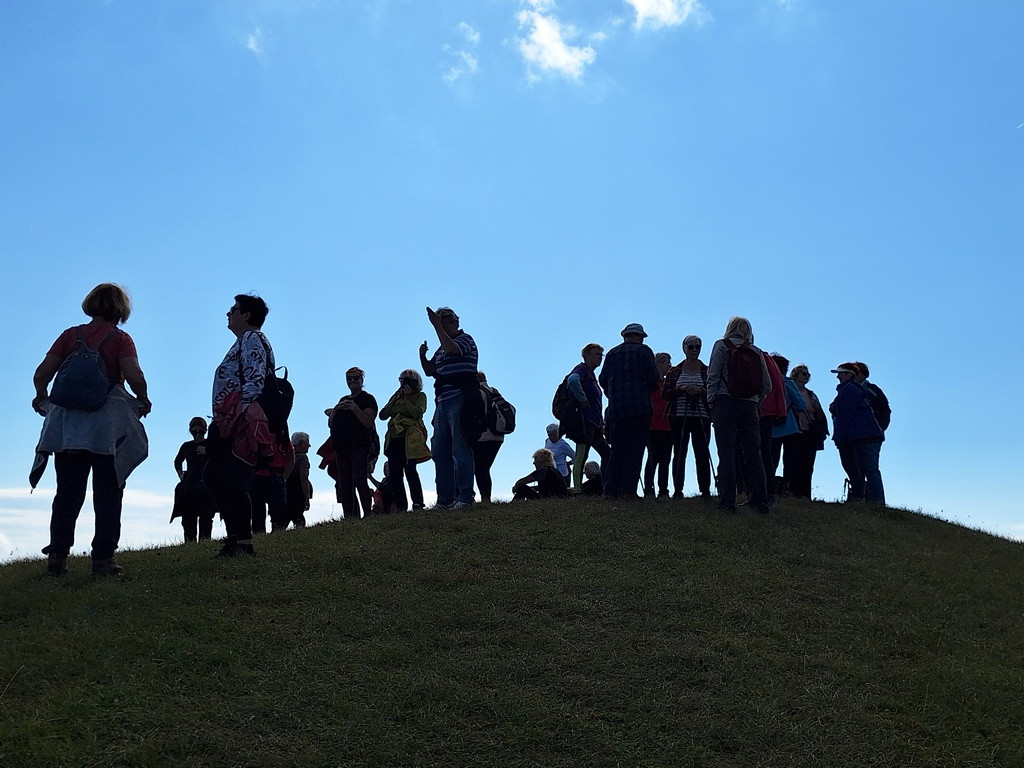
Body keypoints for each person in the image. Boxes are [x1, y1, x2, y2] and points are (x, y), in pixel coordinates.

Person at [31, 283, 151, 576]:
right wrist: (143, 398)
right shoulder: (121, 339)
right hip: (105, 427)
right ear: (120, 309)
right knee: (109, 492)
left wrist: (40, 394)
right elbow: (133, 374)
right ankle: (103, 559)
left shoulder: (70, 335)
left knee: (68, 493)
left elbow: (42, 373)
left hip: (69, 426)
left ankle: (57, 557)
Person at [205, 293, 276, 558]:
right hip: (230, 420)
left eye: (233, 309)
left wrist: (238, 417)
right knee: (219, 475)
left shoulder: (251, 338)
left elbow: (255, 378)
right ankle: (237, 538)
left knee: (228, 477)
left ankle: (241, 541)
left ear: (246, 314)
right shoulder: (244, 341)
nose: (229, 314)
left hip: (237, 422)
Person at [706, 316, 772, 513]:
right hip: (749, 406)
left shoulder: (721, 345)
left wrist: (711, 400)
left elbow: (713, 374)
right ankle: (759, 501)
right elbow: (766, 385)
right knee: (753, 454)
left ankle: (727, 502)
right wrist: (755, 402)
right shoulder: (756, 351)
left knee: (726, 454)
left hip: (724, 403)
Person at [420, 307, 481, 510]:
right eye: (446, 319)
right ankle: (445, 499)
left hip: (460, 399)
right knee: (440, 451)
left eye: (451, 319)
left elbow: (452, 349)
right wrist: (422, 357)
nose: (451, 322)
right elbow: (431, 371)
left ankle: (465, 496)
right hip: (442, 401)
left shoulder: (466, 340)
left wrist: (437, 326)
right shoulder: (440, 348)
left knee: (461, 448)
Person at [598, 323, 661, 499]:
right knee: (636, 449)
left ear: (625, 336)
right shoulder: (644, 352)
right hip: (640, 408)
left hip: (617, 409)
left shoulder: (611, 353)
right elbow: (654, 378)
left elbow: (603, 379)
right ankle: (628, 491)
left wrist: (613, 394)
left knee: (617, 449)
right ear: (639, 336)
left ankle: (610, 490)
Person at [663, 335, 713, 499]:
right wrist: (682, 389)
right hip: (678, 416)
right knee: (679, 453)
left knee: (702, 453)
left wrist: (701, 391)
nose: (694, 350)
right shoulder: (674, 371)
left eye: (697, 347)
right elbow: (666, 394)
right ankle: (678, 490)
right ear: (684, 348)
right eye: (691, 347)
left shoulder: (707, 371)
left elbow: (714, 394)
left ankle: (705, 490)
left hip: (702, 416)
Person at [830, 363, 885, 504]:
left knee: (865, 468)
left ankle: (867, 499)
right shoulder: (851, 389)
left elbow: (845, 415)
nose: (838, 376)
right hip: (862, 435)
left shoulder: (851, 390)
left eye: (841, 373)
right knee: (860, 467)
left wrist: (840, 436)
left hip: (861, 436)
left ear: (849, 374)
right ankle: (867, 500)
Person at [329, 367, 379, 520]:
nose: (352, 381)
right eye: (349, 378)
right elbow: (331, 423)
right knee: (344, 483)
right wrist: (336, 410)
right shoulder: (343, 400)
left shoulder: (368, 399)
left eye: (355, 378)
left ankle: (367, 514)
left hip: (360, 445)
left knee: (360, 479)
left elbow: (368, 421)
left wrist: (355, 408)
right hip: (342, 446)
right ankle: (350, 516)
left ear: (361, 380)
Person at [379, 368, 431, 512]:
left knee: (410, 471)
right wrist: (396, 399)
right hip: (394, 438)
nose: (404, 382)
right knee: (395, 474)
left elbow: (417, 413)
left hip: (410, 439)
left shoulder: (420, 396)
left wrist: (407, 399)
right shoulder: (396, 397)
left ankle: (418, 503)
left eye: (408, 380)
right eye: (402, 380)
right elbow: (383, 415)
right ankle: (401, 506)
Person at [562, 344, 608, 492]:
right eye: (596, 354)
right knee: (582, 454)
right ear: (586, 355)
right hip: (585, 421)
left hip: (594, 423)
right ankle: (577, 489)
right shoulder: (582, 369)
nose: (600, 357)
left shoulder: (590, 374)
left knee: (607, 454)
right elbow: (573, 380)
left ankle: (607, 486)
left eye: (601, 354)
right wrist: (582, 399)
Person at [785, 365, 829, 499]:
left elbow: (818, 411)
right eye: (803, 374)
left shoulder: (810, 394)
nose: (806, 376)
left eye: (807, 374)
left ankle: (804, 494)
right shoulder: (788, 390)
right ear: (795, 375)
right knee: (791, 462)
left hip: (809, 432)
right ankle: (789, 491)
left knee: (808, 464)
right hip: (793, 431)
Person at [171, 417, 217, 543]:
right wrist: (180, 474)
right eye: (194, 432)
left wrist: (207, 452)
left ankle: (204, 541)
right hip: (190, 484)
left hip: (206, 484)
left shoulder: (210, 444)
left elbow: (219, 460)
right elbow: (177, 461)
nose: (197, 435)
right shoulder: (187, 446)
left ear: (205, 431)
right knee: (188, 516)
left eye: (200, 432)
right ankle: (189, 542)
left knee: (206, 515)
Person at [768, 354, 807, 495]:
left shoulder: (766, 382)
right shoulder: (788, 383)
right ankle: (787, 489)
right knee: (790, 462)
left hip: (771, 427)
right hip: (790, 427)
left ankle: (769, 488)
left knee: (771, 460)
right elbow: (801, 405)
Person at [642, 352, 673, 498]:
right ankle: (649, 489)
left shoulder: (668, 385)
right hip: (653, 426)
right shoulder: (651, 385)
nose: (670, 365)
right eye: (667, 362)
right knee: (653, 458)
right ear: (660, 363)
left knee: (665, 459)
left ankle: (663, 490)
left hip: (667, 426)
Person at [474, 372, 505, 504]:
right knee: (485, 467)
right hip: (498, 435)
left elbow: (477, 414)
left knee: (480, 468)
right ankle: (486, 497)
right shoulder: (493, 391)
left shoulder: (478, 392)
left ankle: (485, 497)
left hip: (484, 435)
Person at [284, 431, 312, 528]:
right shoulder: (302, 458)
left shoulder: (287, 457)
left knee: (284, 519)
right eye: (307, 442)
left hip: (286, 492)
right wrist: (307, 497)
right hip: (297, 493)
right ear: (301, 444)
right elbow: (304, 478)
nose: (309, 445)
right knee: (299, 519)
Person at [545, 423, 576, 488]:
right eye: (550, 435)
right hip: (550, 470)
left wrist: (569, 463)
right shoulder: (547, 441)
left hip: (562, 472)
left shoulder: (563, 445)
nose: (551, 437)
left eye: (554, 435)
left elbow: (575, 457)